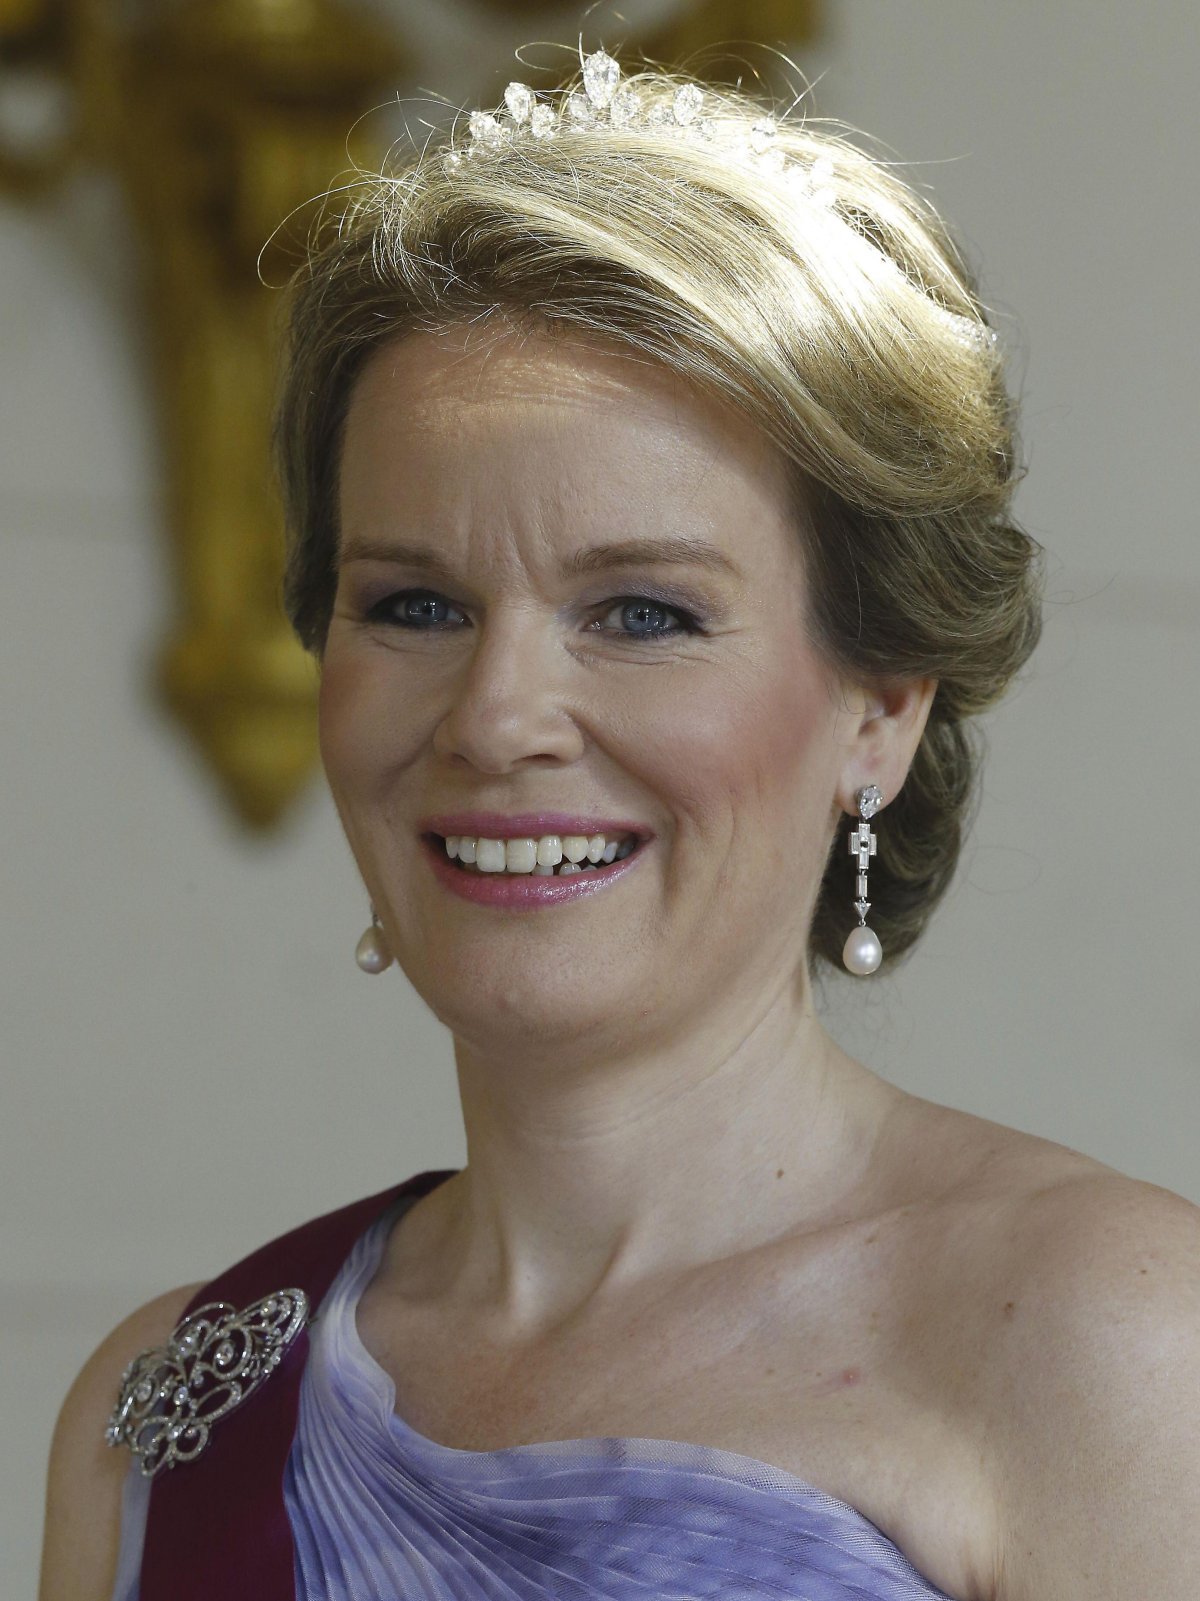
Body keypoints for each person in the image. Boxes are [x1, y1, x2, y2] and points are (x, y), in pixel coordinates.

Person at [39, 45, 1200, 1601]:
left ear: (884, 704)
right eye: (415, 603)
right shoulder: (166, 1407)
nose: (495, 714)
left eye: (642, 610)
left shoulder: (1112, 1339)